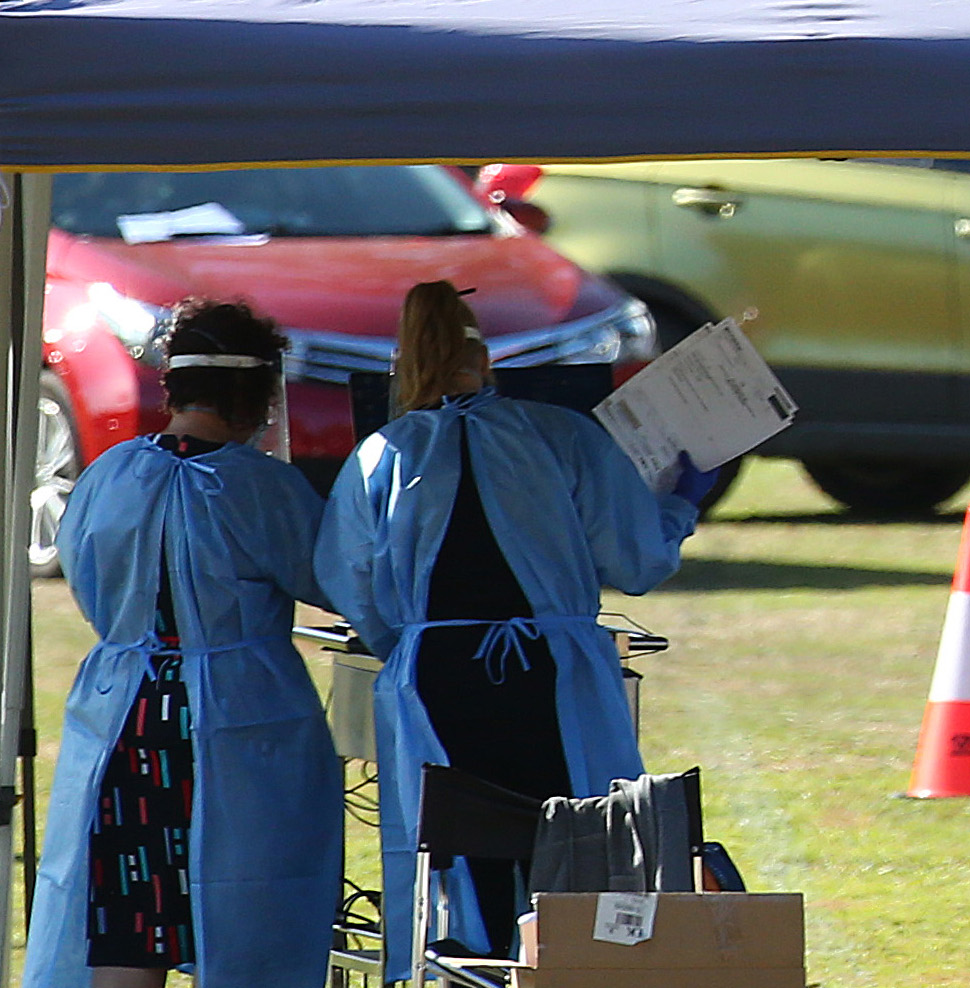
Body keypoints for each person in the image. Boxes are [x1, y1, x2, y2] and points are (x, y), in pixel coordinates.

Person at [317, 282, 718, 976]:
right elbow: (638, 559)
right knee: (579, 840)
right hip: (552, 674)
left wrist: (409, 644)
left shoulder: (383, 453)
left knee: (452, 856)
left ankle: (461, 961)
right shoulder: (556, 435)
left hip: (437, 680)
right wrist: (682, 503)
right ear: (487, 359)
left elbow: (350, 580)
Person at [27, 300, 337, 988]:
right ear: (258, 394)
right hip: (234, 726)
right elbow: (337, 577)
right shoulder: (261, 488)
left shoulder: (110, 475)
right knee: (250, 917)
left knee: (129, 923)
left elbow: (85, 576)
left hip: (128, 723)